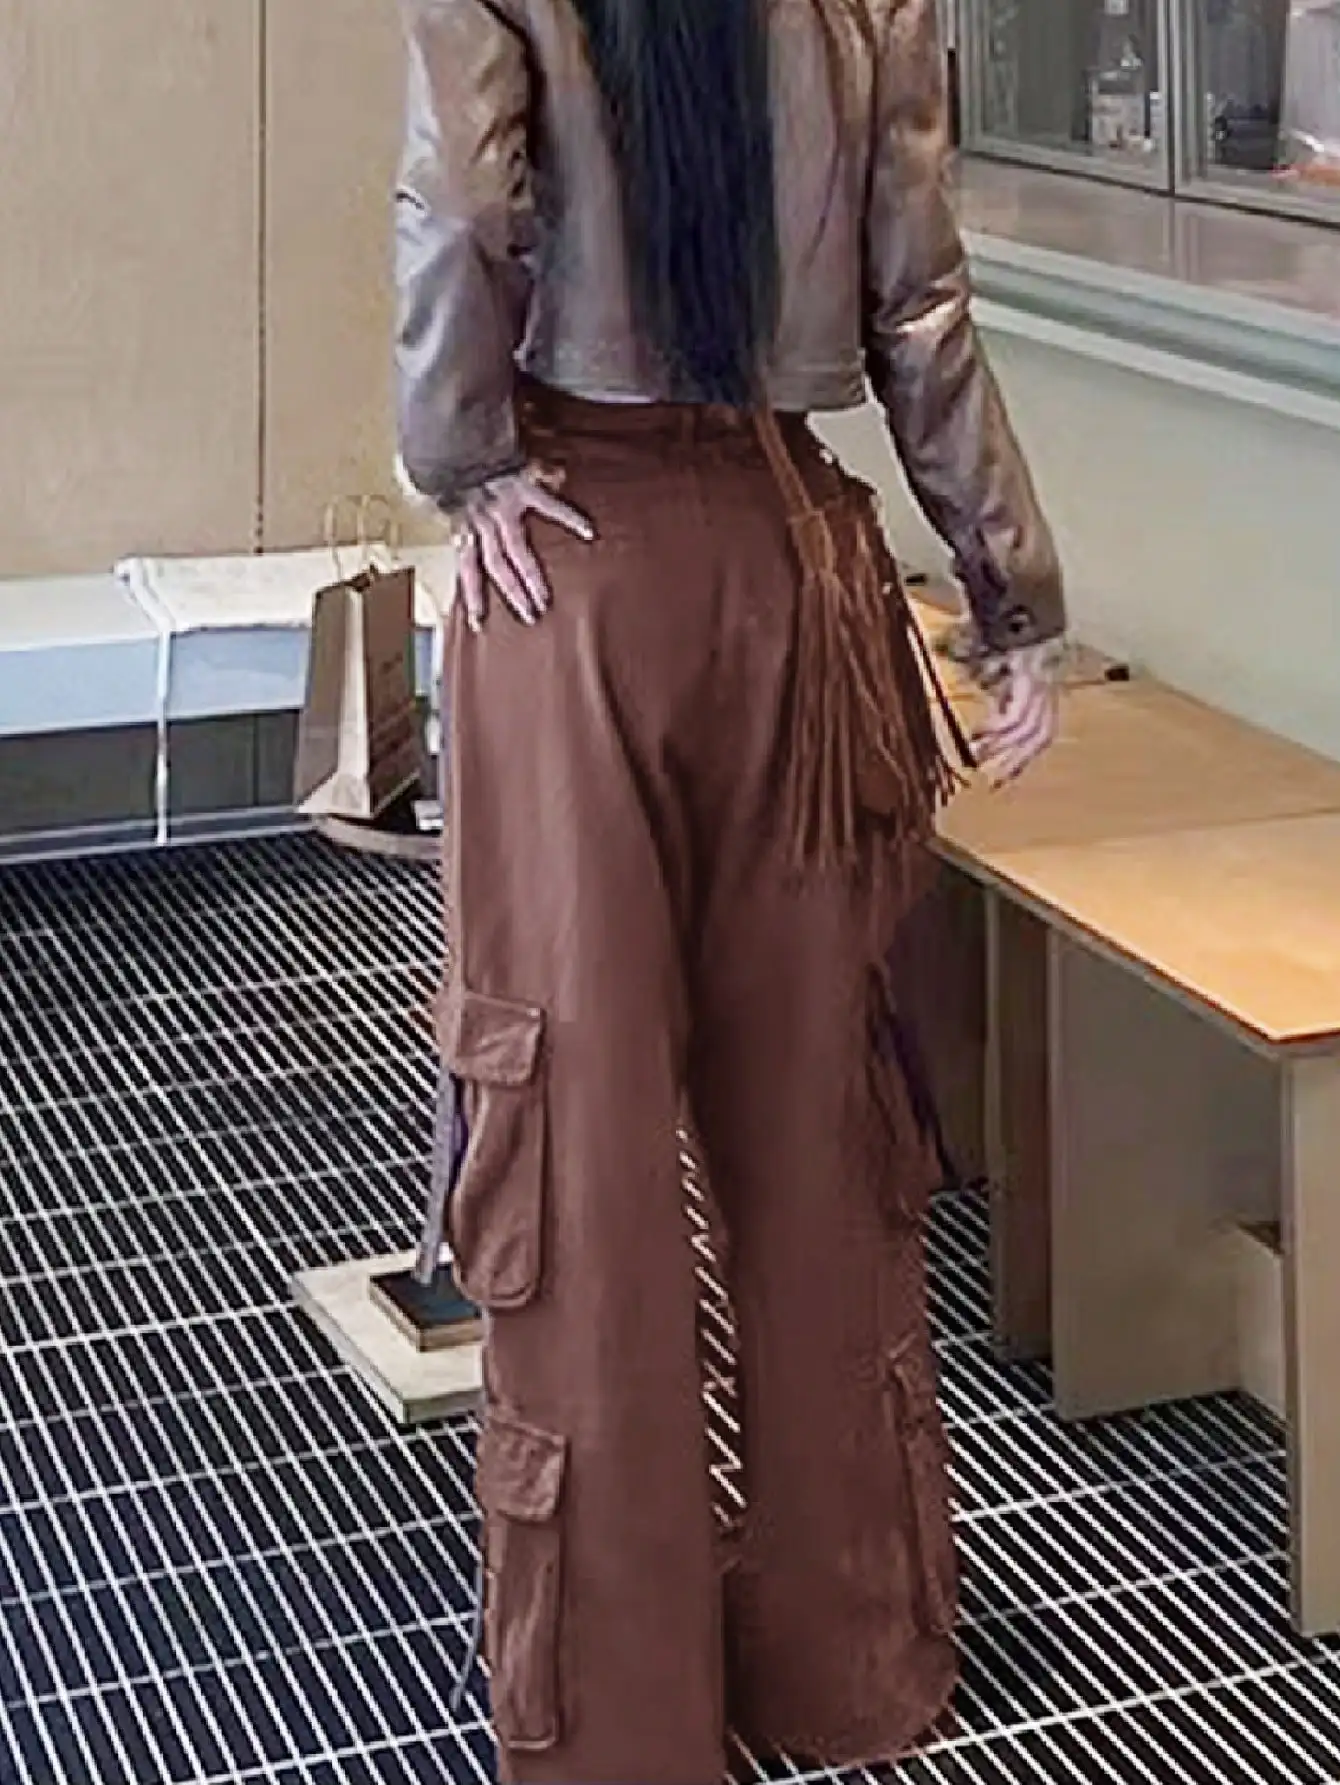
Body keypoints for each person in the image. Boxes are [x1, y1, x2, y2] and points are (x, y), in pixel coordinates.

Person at [393, 2, 1065, 1781]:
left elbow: (462, 205)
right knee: (821, 1135)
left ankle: (621, 1725)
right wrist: (1014, 600)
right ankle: (848, 1670)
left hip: (570, 585)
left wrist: (464, 461)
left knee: (580, 1156)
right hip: (793, 569)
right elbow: (922, 300)